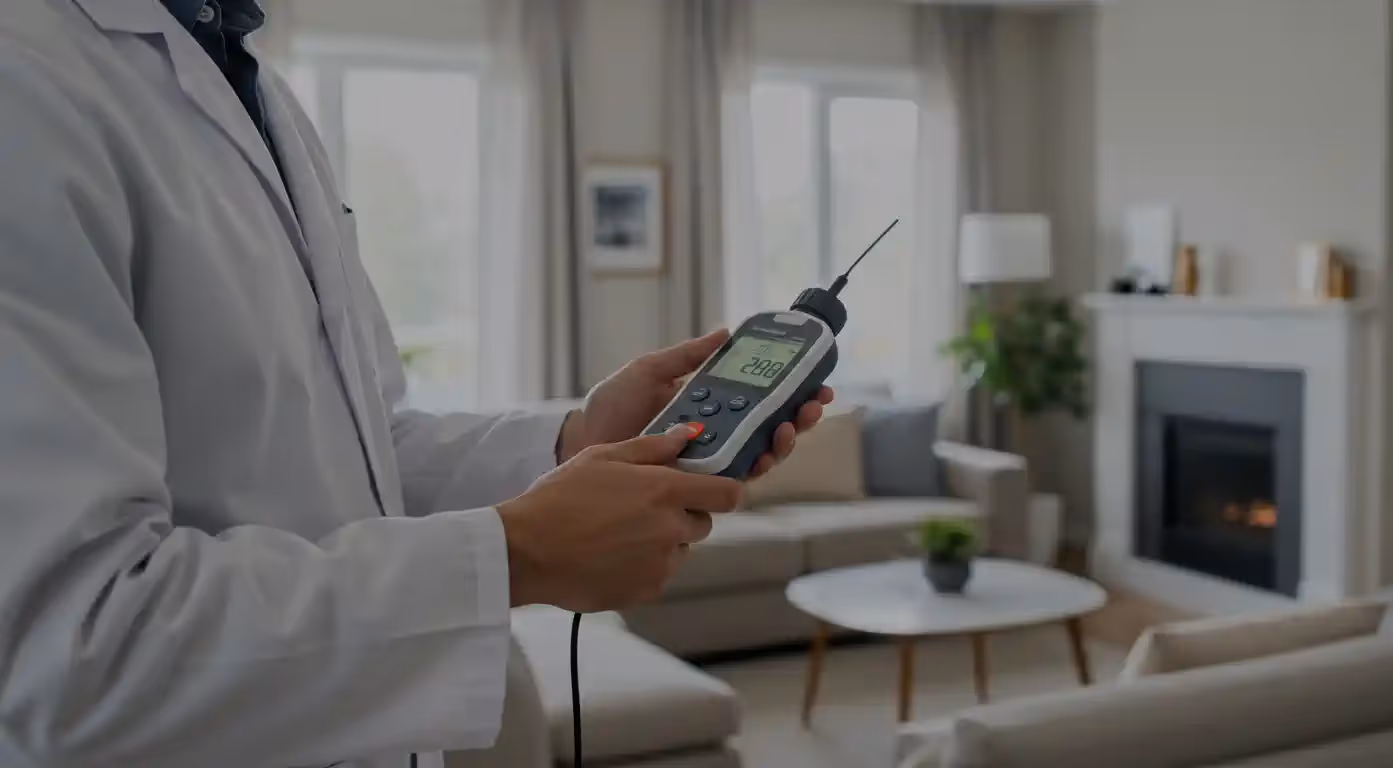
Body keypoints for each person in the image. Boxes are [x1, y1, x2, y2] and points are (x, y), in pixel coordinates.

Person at [0, 2, 833, 767]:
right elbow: (68, 656)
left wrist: (574, 441)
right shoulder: (27, 79)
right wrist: (517, 554)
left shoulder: (257, 89)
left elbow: (364, 446)